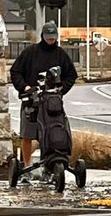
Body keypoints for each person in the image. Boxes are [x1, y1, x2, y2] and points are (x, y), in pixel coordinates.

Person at [10, 22, 78, 183]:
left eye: (53, 38)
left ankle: (49, 168)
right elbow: (15, 72)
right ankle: (26, 167)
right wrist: (25, 87)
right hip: (31, 100)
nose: (51, 40)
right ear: (43, 36)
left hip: (52, 103)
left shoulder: (61, 54)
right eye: (48, 38)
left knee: (50, 134)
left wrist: (60, 90)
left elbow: (71, 75)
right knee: (27, 134)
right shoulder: (30, 52)